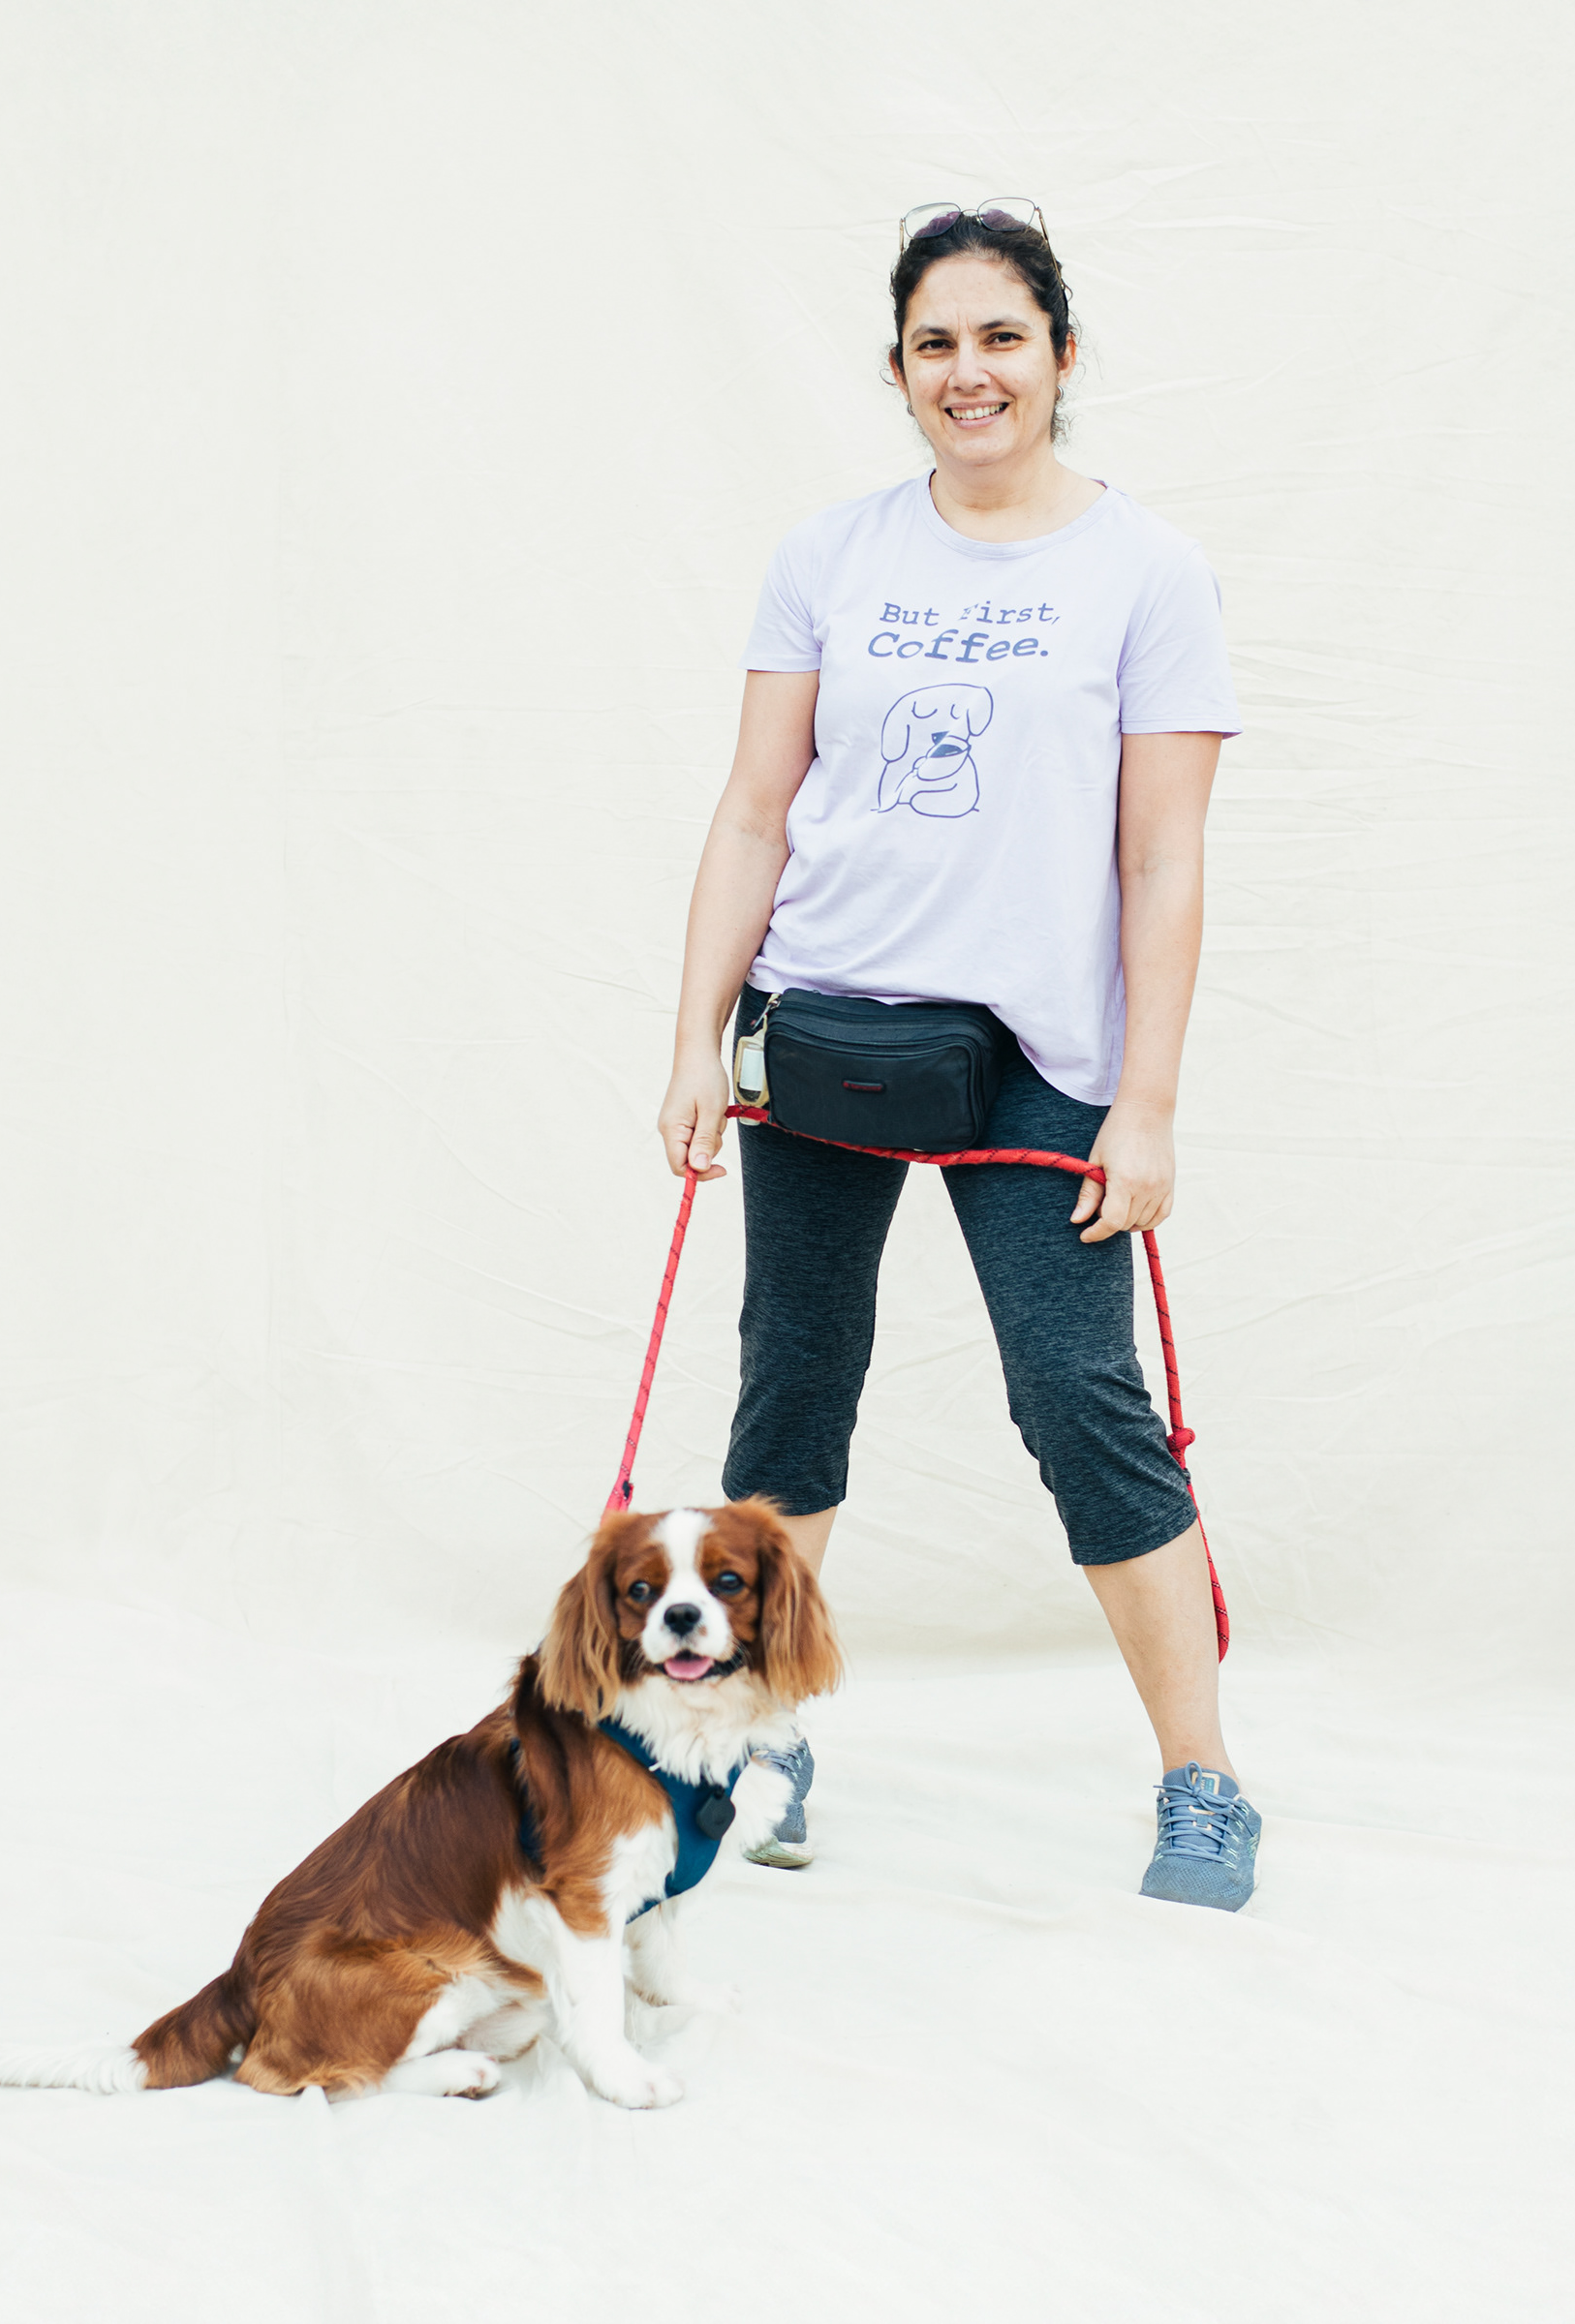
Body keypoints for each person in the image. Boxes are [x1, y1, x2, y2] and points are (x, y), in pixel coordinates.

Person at [657, 199, 1259, 1911]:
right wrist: (697, 1037)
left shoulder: (1148, 571)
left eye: (1003, 337)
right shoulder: (828, 556)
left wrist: (1147, 1104)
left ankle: (1204, 1779)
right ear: (900, 367)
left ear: (1060, 355)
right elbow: (756, 809)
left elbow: (1164, 856)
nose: (970, 371)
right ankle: (758, 1741)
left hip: (1039, 1052)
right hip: (827, 1029)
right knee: (793, 1385)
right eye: (937, 343)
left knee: (1082, 1404)